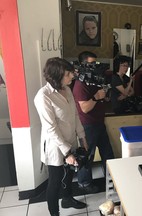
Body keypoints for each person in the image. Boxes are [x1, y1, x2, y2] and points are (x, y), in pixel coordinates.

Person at [34, 57, 88, 216]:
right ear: (56, 76)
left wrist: (82, 138)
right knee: (55, 181)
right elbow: (51, 128)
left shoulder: (67, 89)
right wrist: (67, 153)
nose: (72, 76)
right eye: (68, 74)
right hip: (55, 146)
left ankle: (67, 199)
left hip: (70, 139)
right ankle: (54, 213)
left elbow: (75, 115)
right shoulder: (43, 96)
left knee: (70, 174)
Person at [72, 51, 115, 193]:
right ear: (83, 64)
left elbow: (101, 98)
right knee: (88, 156)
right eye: (90, 64)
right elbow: (84, 108)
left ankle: (113, 179)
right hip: (87, 125)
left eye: (94, 63)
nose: (93, 67)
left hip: (99, 122)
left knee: (107, 153)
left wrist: (105, 96)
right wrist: (97, 97)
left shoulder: (95, 79)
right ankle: (84, 183)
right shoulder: (80, 84)